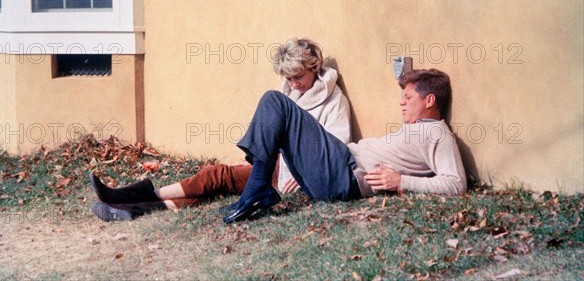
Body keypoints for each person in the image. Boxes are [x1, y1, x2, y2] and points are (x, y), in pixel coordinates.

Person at [90, 38, 352, 221]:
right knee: (215, 181)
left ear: (314, 68)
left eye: (299, 77)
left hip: (297, 176)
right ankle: (134, 207)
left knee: (216, 177)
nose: (294, 84)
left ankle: (130, 197)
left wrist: (300, 169)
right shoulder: (291, 95)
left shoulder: (334, 99)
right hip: (274, 167)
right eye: (288, 79)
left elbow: (337, 146)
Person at [222, 68, 467, 223]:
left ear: (430, 100)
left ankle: (257, 187)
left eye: (408, 98)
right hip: (338, 168)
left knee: (275, 102)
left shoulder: (437, 132)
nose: (402, 103)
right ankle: (258, 187)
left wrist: (402, 182)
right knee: (276, 108)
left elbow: (456, 183)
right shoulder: (418, 128)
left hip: (344, 174)